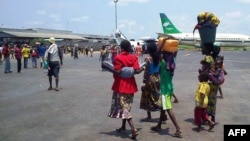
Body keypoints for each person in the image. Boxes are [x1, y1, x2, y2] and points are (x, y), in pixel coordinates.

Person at [107, 40, 144, 140]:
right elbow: (137, 70)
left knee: (124, 108)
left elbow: (117, 71)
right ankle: (123, 127)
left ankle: (133, 129)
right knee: (127, 106)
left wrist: (110, 68)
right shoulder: (134, 57)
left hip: (120, 85)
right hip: (131, 85)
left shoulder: (118, 58)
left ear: (121, 48)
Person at [151, 37, 182, 138]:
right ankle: (159, 125)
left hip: (164, 89)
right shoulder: (172, 61)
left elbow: (157, 52)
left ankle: (178, 129)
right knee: (164, 107)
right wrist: (176, 43)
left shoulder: (163, 63)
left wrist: (164, 41)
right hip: (170, 87)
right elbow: (175, 51)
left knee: (168, 108)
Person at [140, 42, 161, 122]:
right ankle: (162, 113)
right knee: (156, 96)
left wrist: (144, 82)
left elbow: (146, 72)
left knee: (147, 97)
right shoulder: (159, 58)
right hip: (157, 79)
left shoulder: (148, 59)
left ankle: (149, 116)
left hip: (150, 80)